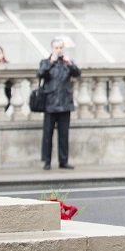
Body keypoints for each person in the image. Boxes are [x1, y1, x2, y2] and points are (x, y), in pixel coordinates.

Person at [38, 37, 81, 170]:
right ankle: (47, 161)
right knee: (47, 134)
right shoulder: (45, 62)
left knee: (64, 134)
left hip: (65, 103)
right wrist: (51, 63)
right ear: (52, 48)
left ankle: (64, 161)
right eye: (56, 48)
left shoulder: (67, 63)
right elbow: (40, 74)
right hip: (50, 103)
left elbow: (77, 73)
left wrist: (70, 64)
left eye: (60, 47)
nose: (58, 50)